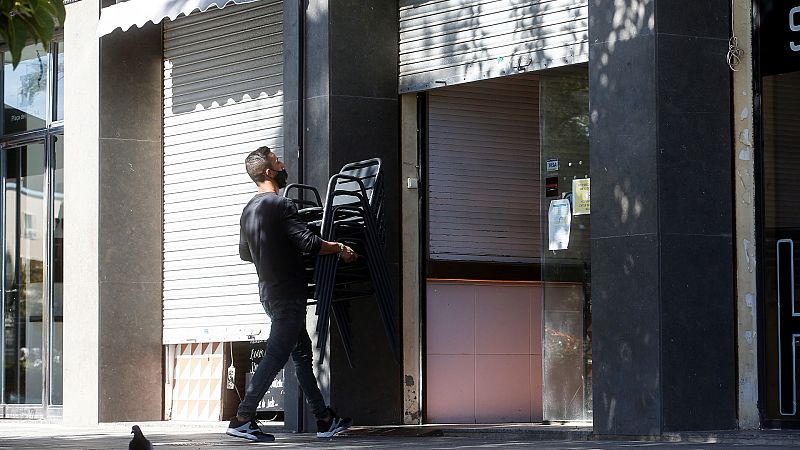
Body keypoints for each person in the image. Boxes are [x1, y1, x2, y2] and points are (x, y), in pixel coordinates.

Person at [227, 146, 355, 441]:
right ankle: (243, 418)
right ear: (270, 172)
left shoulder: (249, 210)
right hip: (288, 294)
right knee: (276, 355)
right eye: (277, 160)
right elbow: (309, 243)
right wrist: (339, 247)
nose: (283, 163)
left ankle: (324, 419)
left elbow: (245, 254)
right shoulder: (280, 205)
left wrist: (272, 251)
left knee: (300, 354)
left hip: (269, 293)